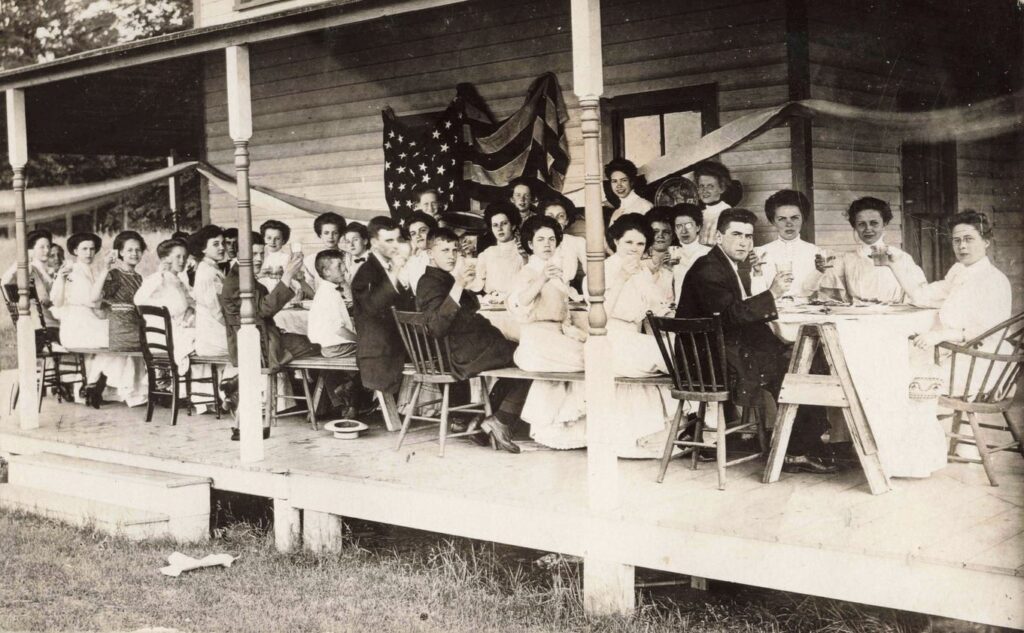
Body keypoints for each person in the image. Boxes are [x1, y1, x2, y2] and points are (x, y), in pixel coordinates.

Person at [676, 208, 836, 474]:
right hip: (708, 364)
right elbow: (730, 316)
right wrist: (772, 293)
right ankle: (796, 450)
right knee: (798, 370)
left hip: (722, 350)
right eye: (736, 234)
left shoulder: (724, 264)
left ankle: (803, 441)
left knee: (804, 358)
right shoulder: (708, 268)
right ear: (719, 236)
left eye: (748, 237)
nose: (743, 242)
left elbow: (736, 315)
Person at [415, 228, 520, 452]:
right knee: (528, 359)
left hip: (465, 347)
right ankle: (499, 420)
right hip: (457, 354)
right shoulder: (428, 283)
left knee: (522, 353)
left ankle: (484, 421)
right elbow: (437, 326)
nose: (451, 255)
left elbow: (470, 308)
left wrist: (464, 284)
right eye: (444, 250)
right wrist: (459, 285)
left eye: (454, 250)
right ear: (430, 253)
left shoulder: (443, 278)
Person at [887, 211, 1012, 393]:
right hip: (956, 352)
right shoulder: (960, 271)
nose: (962, 246)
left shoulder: (994, 280)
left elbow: (987, 331)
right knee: (891, 366)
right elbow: (921, 296)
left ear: (986, 242)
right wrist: (894, 265)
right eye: (957, 240)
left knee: (900, 381)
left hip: (979, 361)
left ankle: (922, 418)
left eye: (969, 239)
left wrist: (940, 335)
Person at [220, 232, 321, 439]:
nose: (258, 259)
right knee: (316, 345)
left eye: (260, 253)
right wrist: (286, 277)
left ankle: (238, 388)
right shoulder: (240, 282)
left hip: (258, 340)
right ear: (238, 254)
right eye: (252, 254)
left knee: (301, 341)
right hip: (259, 347)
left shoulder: (242, 277)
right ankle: (322, 407)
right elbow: (263, 310)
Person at [508, 215, 588, 449]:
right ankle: (555, 426)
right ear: (530, 244)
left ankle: (562, 431)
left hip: (555, 339)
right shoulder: (528, 273)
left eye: (552, 239)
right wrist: (541, 278)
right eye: (540, 239)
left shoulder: (556, 272)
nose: (547, 244)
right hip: (536, 343)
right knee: (593, 359)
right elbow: (519, 303)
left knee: (592, 352)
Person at [602, 215, 676, 457]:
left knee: (681, 349)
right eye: (629, 243)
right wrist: (622, 278)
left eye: (640, 244)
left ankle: (682, 428)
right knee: (675, 355)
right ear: (615, 241)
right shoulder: (604, 269)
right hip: (612, 339)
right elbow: (601, 313)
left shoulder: (641, 272)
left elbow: (657, 306)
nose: (634, 249)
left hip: (634, 338)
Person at [351, 216, 417, 397]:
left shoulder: (393, 266)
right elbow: (374, 307)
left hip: (400, 343)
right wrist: (396, 270)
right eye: (389, 240)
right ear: (374, 243)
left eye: (398, 239)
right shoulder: (365, 272)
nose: (396, 245)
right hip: (379, 351)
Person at [817, 197, 926, 304]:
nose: (868, 229)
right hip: (857, 316)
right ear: (855, 226)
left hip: (891, 316)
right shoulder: (847, 259)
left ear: (885, 224)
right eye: (861, 224)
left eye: (874, 223)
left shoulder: (901, 257)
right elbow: (832, 296)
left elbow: (920, 295)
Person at [51, 233, 112, 408]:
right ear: (75, 251)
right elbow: (58, 300)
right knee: (114, 341)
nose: (89, 253)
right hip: (76, 324)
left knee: (117, 338)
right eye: (84, 249)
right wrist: (61, 279)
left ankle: (91, 385)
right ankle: (91, 386)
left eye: (92, 249)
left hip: (90, 320)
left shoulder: (92, 271)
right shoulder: (71, 271)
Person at [134, 238, 196, 372]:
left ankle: (194, 385)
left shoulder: (178, 281)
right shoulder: (157, 279)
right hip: (164, 335)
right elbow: (138, 300)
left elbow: (191, 303)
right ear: (165, 259)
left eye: (184, 257)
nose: (182, 261)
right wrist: (158, 274)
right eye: (178, 256)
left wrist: (190, 312)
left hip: (179, 330)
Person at [754, 189, 823, 298]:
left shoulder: (816, 252)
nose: (789, 224)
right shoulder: (761, 253)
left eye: (794, 218)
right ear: (773, 221)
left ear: (803, 219)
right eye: (781, 219)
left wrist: (820, 272)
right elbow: (757, 296)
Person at [1, 229, 59, 337]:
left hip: (47, 322)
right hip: (45, 325)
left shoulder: (46, 271)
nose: (47, 250)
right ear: (31, 250)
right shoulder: (31, 271)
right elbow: (45, 299)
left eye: (48, 246)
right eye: (42, 247)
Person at [188, 225, 230, 357]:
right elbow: (217, 312)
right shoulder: (207, 273)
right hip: (213, 339)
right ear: (203, 248)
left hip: (214, 332)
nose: (222, 248)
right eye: (216, 244)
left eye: (223, 243)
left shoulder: (211, 268)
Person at [469, 202, 525, 300]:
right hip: (490, 303)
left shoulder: (523, 252)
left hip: (516, 303)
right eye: (495, 225)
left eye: (504, 223)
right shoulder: (487, 254)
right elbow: (476, 286)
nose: (499, 229)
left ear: (513, 225)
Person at [308, 249, 357, 359]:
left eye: (343, 264)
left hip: (332, 347)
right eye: (339, 266)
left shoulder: (327, 289)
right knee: (377, 349)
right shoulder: (329, 294)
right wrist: (359, 340)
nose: (344, 269)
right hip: (335, 348)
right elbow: (339, 330)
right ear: (326, 271)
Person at [668, 203, 710, 301]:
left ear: (698, 227)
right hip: (678, 310)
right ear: (674, 229)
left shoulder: (709, 253)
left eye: (688, 225)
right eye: (679, 226)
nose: (684, 231)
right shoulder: (671, 254)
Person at [542, 198, 587, 286]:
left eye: (561, 216)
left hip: (566, 293)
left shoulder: (577, 242)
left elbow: (591, 272)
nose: (555, 220)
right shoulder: (535, 241)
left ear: (566, 221)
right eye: (550, 216)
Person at [693, 161, 733, 245]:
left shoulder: (728, 213)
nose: (704, 191)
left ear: (722, 188)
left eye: (710, 186)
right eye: (701, 186)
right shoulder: (701, 213)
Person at [643, 207, 676, 305]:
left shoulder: (680, 258)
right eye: (655, 232)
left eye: (666, 232)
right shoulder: (639, 261)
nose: (660, 236)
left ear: (673, 235)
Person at [398, 211, 437, 294]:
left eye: (422, 230)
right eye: (413, 233)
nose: (418, 236)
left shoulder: (445, 253)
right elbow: (399, 284)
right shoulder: (412, 261)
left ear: (433, 231)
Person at [605, 158, 653, 226]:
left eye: (624, 180)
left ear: (631, 182)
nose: (619, 185)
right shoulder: (616, 212)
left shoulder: (645, 206)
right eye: (614, 181)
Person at [305, 213, 346, 289]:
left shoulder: (349, 257)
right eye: (326, 233)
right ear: (320, 235)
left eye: (335, 233)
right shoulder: (310, 260)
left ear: (340, 235)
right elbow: (309, 287)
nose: (330, 237)